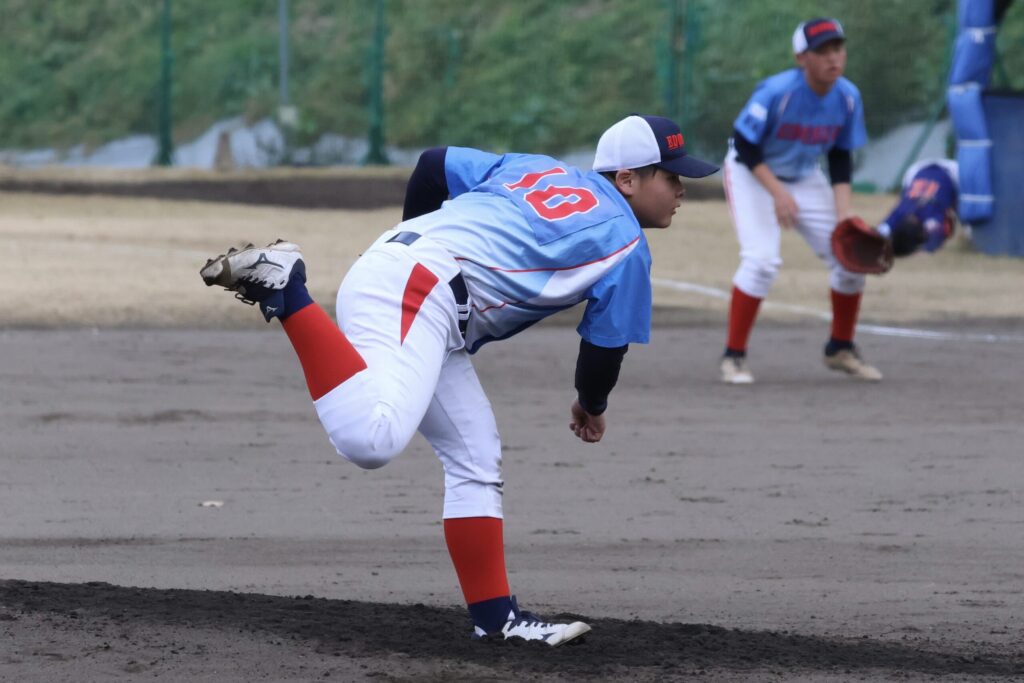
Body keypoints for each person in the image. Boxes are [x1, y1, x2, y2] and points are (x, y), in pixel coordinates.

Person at [200, 114, 718, 646]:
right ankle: (288, 292)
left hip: (414, 281)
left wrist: (412, 248)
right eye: (670, 176)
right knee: (371, 439)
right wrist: (591, 404)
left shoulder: (537, 168)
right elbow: (605, 348)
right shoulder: (626, 242)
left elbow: (433, 165)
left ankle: (496, 621)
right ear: (627, 179)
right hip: (419, 291)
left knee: (475, 455)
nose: (682, 188)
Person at [720, 17, 880, 385]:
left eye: (837, 48)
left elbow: (840, 155)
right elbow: (744, 145)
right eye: (821, 51)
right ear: (801, 58)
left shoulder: (848, 96)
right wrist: (778, 193)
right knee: (761, 261)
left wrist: (844, 213)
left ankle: (840, 348)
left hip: (805, 176)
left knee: (851, 257)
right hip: (751, 172)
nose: (832, 57)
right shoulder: (777, 92)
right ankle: (734, 356)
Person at [876, 159, 959, 257]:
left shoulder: (929, 215)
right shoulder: (900, 212)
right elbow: (881, 230)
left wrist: (927, 249)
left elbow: (939, 235)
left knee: (964, 211)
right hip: (917, 169)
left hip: (953, 172)